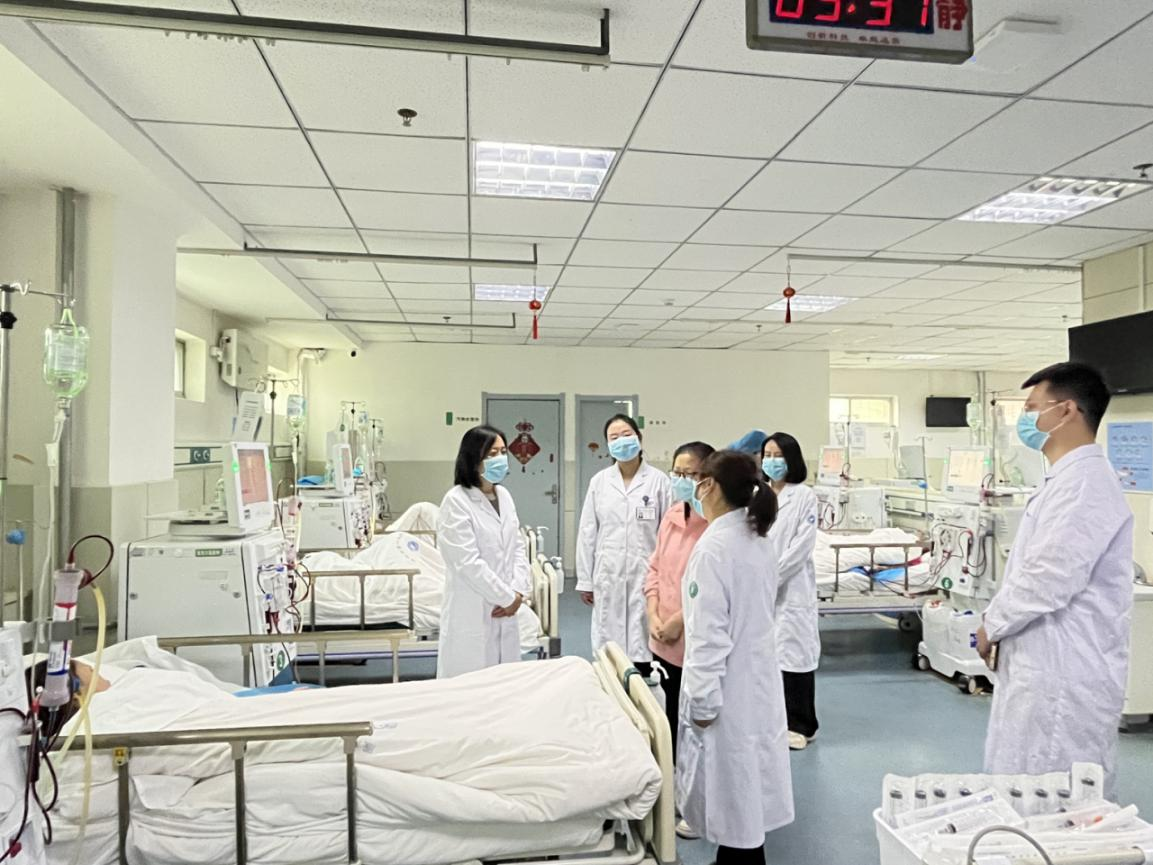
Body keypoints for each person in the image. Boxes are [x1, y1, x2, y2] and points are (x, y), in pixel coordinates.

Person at [976, 362, 1134, 793]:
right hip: (1044, 665)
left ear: (1066, 411)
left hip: (1064, 674)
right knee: (1027, 788)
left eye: (1031, 408)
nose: (1024, 420)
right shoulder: (1065, 480)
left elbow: (1047, 577)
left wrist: (992, 624)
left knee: (1055, 794)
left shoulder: (1085, 484)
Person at [678, 451, 794, 865]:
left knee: (735, 801)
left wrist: (702, 702)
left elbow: (708, 637)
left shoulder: (713, 549)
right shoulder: (757, 539)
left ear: (709, 486)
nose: (689, 486)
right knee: (746, 803)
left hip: (728, 692)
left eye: (694, 478)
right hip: (756, 682)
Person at [644, 441, 714, 840]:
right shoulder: (672, 515)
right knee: (670, 719)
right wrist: (654, 612)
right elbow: (655, 568)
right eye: (677, 472)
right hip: (664, 639)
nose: (681, 480)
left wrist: (678, 621)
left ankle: (699, 805)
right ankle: (675, 789)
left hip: (694, 640)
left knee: (697, 728)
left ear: (708, 478)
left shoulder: (715, 525)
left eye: (690, 474)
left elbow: (707, 588)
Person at [577, 414, 673, 674]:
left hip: (647, 574)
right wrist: (585, 579)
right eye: (614, 437)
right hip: (608, 572)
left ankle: (645, 681)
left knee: (644, 639)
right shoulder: (600, 482)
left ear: (639, 438)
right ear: (608, 445)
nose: (621, 441)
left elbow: (668, 535)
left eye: (627, 434)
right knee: (609, 642)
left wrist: (666, 581)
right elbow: (588, 532)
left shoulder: (659, 482)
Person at [437, 424, 532, 679]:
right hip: (473, 610)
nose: (500, 458)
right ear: (473, 459)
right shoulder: (456, 501)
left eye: (503, 452)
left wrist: (518, 592)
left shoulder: (505, 496)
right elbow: (467, 563)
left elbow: (517, 546)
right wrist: (506, 598)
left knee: (506, 684)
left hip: (507, 607)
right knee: (470, 686)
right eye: (491, 454)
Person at [761, 432, 821, 752]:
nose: (771, 461)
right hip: (762, 587)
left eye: (778, 455)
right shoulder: (758, 494)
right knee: (768, 657)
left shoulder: (804, 496)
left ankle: (802, 724)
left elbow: (801, 546)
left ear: (792, 459)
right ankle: (776, 721)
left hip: (792, 587)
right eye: (767, 455)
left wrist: (773, 576)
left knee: (795, 657)